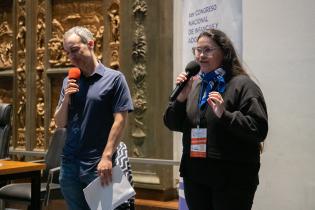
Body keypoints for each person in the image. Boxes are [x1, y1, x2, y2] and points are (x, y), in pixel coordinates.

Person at [164, 28, 268, 210]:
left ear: (225, 53)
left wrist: (225, 115)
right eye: (197, 50)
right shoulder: (195, 85)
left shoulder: (242, 85)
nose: (201, 55)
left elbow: (259, 129)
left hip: (232, 178)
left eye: (208, 50)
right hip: (196, 176)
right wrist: (180, 99)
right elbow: (173, 123)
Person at [54, 26, 133, 210]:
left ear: (90, 44)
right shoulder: (69, 81)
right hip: (69, 164)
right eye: (68, 53)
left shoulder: (114, 79)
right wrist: (66, 98)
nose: (71, 57)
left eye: (74, 50)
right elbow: (59, 123)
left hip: (99, 164)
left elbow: (120, 120)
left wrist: (107, 156)